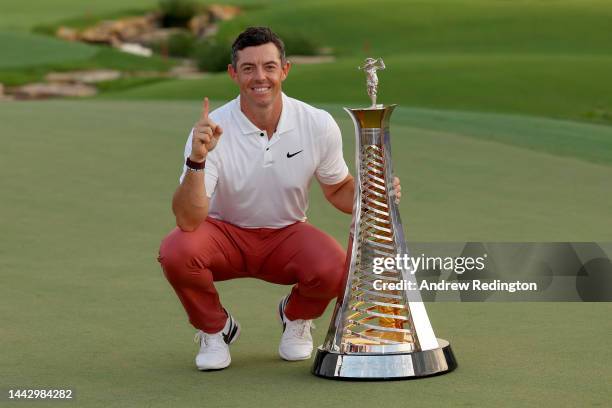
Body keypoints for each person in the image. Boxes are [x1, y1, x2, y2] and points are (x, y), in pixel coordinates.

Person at [157, 26, 401, 371]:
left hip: (286, 233)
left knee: (334, 267)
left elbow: (337, 189)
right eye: (248, 68)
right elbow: (188, 220)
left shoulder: (317, 123)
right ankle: (215, 329)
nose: (260, 77)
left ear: (284, 69)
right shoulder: (212, 130)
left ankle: (296, 315)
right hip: (224, 234)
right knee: (176, 251)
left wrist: (373, 192)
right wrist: (197, 159)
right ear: (233, 74)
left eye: (269, 66)